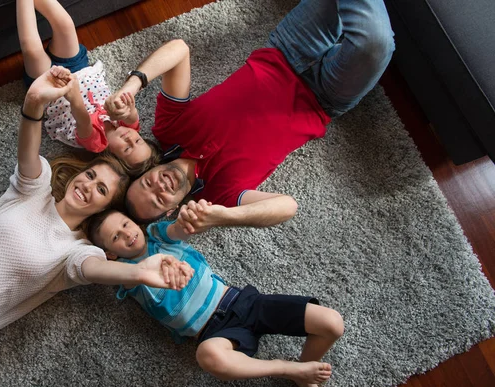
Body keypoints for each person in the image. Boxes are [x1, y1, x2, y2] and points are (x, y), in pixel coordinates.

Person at [0, 67, 193, 387]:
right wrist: (34, 102)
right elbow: (29, 145)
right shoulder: (33, 190)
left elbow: (98, 270)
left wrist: (140, 273)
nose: (87, 185)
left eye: (101, 190)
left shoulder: (77, 253)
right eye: (91, 175)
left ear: (105, 207)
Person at [105, 0, 394, 228]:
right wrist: (220, 217)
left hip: (287, 48)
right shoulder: (221, 198)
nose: (159, 186)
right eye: (158, 200)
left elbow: (178, 50)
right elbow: (287, 206)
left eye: (147, 183)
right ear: (172, 209)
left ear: (148, 171)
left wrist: (131, 86)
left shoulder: (168, 129)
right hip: (324, 97)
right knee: (375, 42)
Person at [87, 206, 344, 387]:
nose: (126, 234)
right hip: (217, 333)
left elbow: (178, 229)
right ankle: (289, 369)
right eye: (115, 238)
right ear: (110, 254)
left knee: (332, 323)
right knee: (207, 356)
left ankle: (305, 369)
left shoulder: (157, 235)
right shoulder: (126, 275)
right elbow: (96, 272)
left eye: (124, 224)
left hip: (242, 302)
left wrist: (188, 217)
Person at [17, 0, 160, 175]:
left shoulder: (96, 144)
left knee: (32, 49)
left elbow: (82, 117)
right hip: (79, 69)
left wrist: (73, 90)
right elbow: (132, 116)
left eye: (127, 149)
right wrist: (128, 108)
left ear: (112, 158)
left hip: (54, 87)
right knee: (65, 25)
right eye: (138, 141)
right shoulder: (129, 127)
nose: (130, 139)